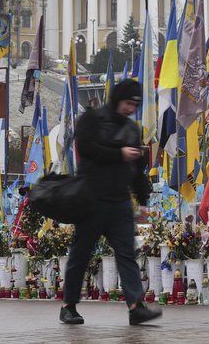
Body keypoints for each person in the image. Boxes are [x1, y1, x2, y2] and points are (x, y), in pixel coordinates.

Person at [60, 79, 161, 325]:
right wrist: (119, 153)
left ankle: (136, 306)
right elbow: (85, 147)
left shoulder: (131, 128)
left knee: (127, 255)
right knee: (81, 255)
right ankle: (68, 305)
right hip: (92, 198)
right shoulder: (92, 119)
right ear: (117, 99)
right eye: (127, 103)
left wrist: (143, 199)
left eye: (135, 105)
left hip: (119, 202)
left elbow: (137, 168)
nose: (130, 109)